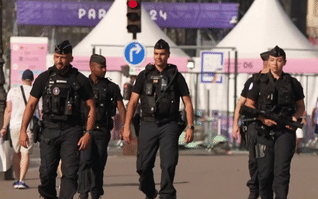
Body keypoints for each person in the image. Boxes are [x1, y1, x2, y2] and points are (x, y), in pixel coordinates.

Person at [19, 40, 96, 199]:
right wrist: (22, 131)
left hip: (72, 130)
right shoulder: (44, 78)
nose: (59, 61)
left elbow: (91, 108)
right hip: (49, 129)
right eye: (56, 56)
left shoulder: (80, 80)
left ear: (70, 58)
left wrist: (88, 133)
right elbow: (31, 104)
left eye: (63, 57)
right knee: (46, 173)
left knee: (70, 172)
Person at [123, 39, 194, 199]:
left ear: (168, 55)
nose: (159, 57)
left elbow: (187, 103)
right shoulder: (144, 75)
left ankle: (167, 194)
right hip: (148, 123)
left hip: (169, 124)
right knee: (143, 165)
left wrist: (190, 126)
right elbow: (133, 102)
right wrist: (126, 126)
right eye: (156, 54)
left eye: (162, 54)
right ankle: (149, 191)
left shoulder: (176, 76)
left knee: (168, 163)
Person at [244, 46, 305, 199]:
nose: (275, 64)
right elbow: (249, 105)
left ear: (284, 62)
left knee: (281, 173)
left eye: (279, 60)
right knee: (264, 174)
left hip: (285, 131)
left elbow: (300, 107)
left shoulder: (292, 83)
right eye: (272, 60)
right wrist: (262, 119)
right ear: (268, 62)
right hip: (263, 131)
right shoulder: (258, 81)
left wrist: (294, 118)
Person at [77, 54, 126, 199]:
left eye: (105, 66)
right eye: (101, 67)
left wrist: (123, 126)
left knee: (98, 163)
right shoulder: (81, 84)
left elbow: (121, 108)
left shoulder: (111, 87)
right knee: (84, 161)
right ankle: (83, 193)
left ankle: (96, 193)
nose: (104, 69)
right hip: (84, 131)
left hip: (102, 131)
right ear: (92, 67)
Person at [232, 50, 270, 199]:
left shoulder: (279, 81)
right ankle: (254, 190)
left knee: (269, 163)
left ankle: (263, 189)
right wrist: (235, 124)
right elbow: (241, 103)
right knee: (255, 160)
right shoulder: (254, 81)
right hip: (254, 125)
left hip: (272, 126)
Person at [0, 69, 36, 189]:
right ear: (32, 79)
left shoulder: (12, 91)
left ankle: (17, 178)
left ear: (22, 79)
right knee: (25, 153)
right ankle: (21, 180)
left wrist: (4, 126)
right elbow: (40, 111)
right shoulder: (35, 91)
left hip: (14, 126)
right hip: (28, 126)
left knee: (16, 152)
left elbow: (8, 110)